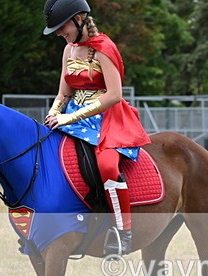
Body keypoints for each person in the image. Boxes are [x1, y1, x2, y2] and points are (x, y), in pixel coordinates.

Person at [42, 0, 151, 254]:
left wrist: (69, 118)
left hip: (106, 119)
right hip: (70, 116)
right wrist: (54, 113)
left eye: (62, 27)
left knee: (107, 165)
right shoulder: (68, 49)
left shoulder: (104, 47)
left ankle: (123, 232)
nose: (60, 33)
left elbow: (114, 94)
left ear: (79, 18)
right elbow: (63, 92)